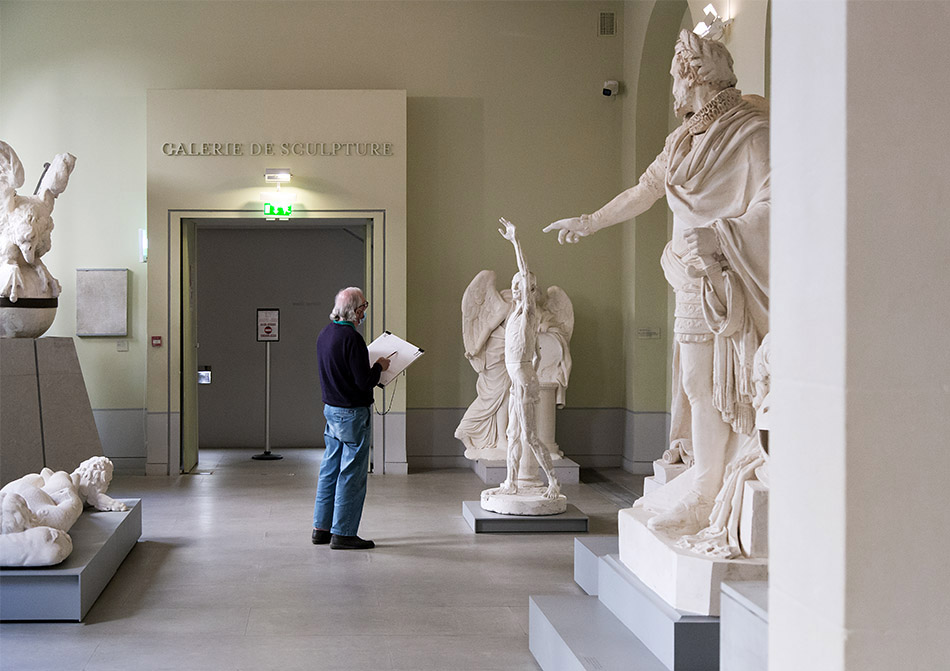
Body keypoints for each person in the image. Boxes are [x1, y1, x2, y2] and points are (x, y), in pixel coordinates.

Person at [544, 30, 769, 535]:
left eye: (674, 75)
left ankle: (710, 484)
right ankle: (703, 477)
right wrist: (589, 221)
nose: (671, 86)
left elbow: (778, 206)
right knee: (693, 381)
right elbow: (644, 190)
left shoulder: (751, 132)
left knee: (713, 381)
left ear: (694, 76)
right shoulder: (684, 139)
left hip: (729, 276)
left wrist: (722, 236)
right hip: (689, 279)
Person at [311, 287, 389, 550]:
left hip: (331, 410)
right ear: (355, 310)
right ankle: (343, 533)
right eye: (364, 307)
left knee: (329, 469)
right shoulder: (352, 339)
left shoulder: (325, 334)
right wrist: (379, 366)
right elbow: (363, 382)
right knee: (352, 474)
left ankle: (321, 528)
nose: (364, 312)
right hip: (352, 413)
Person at [491, 218, 560, 500]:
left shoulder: (529, 312)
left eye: (524, 285)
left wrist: (516, 241)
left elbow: (524, 269)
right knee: (513, 433)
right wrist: (530, 367)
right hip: (518, 377)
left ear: (530, 291)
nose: (518, 289)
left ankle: (553, 482)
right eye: (516, 285)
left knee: (529, 436)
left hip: (521, 378)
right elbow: (534, 350)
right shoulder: (515, 315)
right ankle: (510, 481)